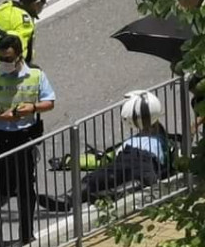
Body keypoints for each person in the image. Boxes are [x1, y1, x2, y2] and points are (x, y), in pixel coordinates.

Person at [0, 34, 55, 247]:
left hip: (23, 139)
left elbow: (50, 102)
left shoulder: (36, 74)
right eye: (2, 58)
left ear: (19, 56)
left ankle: (27, 234)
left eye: (9, 58)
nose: (5, 63)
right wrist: (1, 116)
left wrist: (33, 108)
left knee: (26, 189)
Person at [37, 91, 168, 212]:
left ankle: (108, 196)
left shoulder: (161, 138)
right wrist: (68, 161)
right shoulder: (131, 142)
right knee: (91, 180)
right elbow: (103, 158)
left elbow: (155, 125)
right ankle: (66, 200)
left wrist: (145, 109)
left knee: (137, 184)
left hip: (146, 160)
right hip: (124, 158)